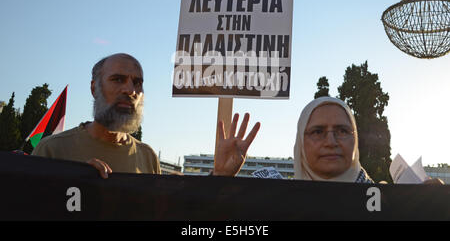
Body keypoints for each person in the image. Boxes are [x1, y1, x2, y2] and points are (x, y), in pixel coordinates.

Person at [32, 53, 260, 178]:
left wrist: (219, 175)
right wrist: (75, 185)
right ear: (94, 88)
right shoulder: (51, 150)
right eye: (118, 79)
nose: (130, 90)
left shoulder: (147, 157)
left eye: (137, 83)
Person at [293, 96, 444, 184]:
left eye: (342, 131)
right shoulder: (274, 204)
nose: (331, 142)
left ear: (355, 139)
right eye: (318, 132)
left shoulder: (386, 203)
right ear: (301, 141)